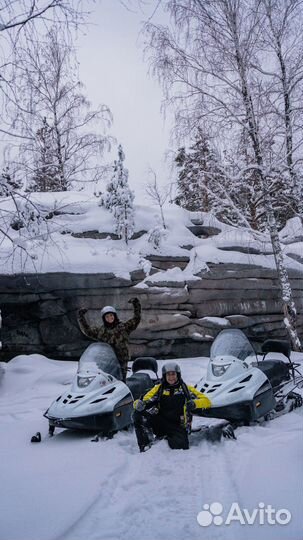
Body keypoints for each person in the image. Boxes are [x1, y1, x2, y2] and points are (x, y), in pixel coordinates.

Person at [133, 361, 212, 452]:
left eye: (173, 374)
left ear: (178, 375)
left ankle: (167, 438)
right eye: (168, 375)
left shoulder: (186, 389)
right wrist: (138, 404)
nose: (171, 377)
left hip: (178, 425)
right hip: (161, 422)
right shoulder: (158, 388)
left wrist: (195, 403)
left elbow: (207, 401)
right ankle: (145, 444)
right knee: (138, 414)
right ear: (164, 376)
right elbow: (143, 401)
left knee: (180, 446)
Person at [77, 297, 141, 382]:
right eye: (107, 316)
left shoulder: (124, 328)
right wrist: (81, 317)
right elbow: (87, 331)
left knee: (120, 382)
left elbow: (136, 319)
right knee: (103, 383)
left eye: (111, 315)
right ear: (104, 318)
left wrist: (136, 304)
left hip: (120, 362)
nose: (109, 317)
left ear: (115, 315)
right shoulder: (101, 331)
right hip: (105, 363)